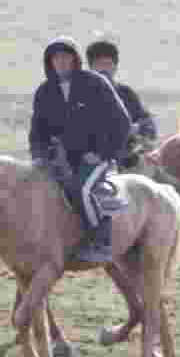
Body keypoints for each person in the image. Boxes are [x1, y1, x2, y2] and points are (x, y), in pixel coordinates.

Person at [29, 36, 131, 263]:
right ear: (49, 62)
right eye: (56, 58)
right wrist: (39, 156)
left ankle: (101, 241)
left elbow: (122, 121)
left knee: (81, 190)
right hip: (61, 160)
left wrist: (103, 153)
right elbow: (37, 131)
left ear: (75, 59)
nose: (61, 62)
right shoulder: (44, 92)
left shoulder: (95, 83)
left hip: (96, 158)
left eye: (66, 57)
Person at [85, 39, 158, 169]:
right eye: (99, 64)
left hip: (127, 161)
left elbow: (148, 124)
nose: (103, 69)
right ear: (90, 68)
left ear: (115, 67)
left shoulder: (126, 93)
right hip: (91, 161)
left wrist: (137, 128)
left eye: (108, 64)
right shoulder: (80, 95)